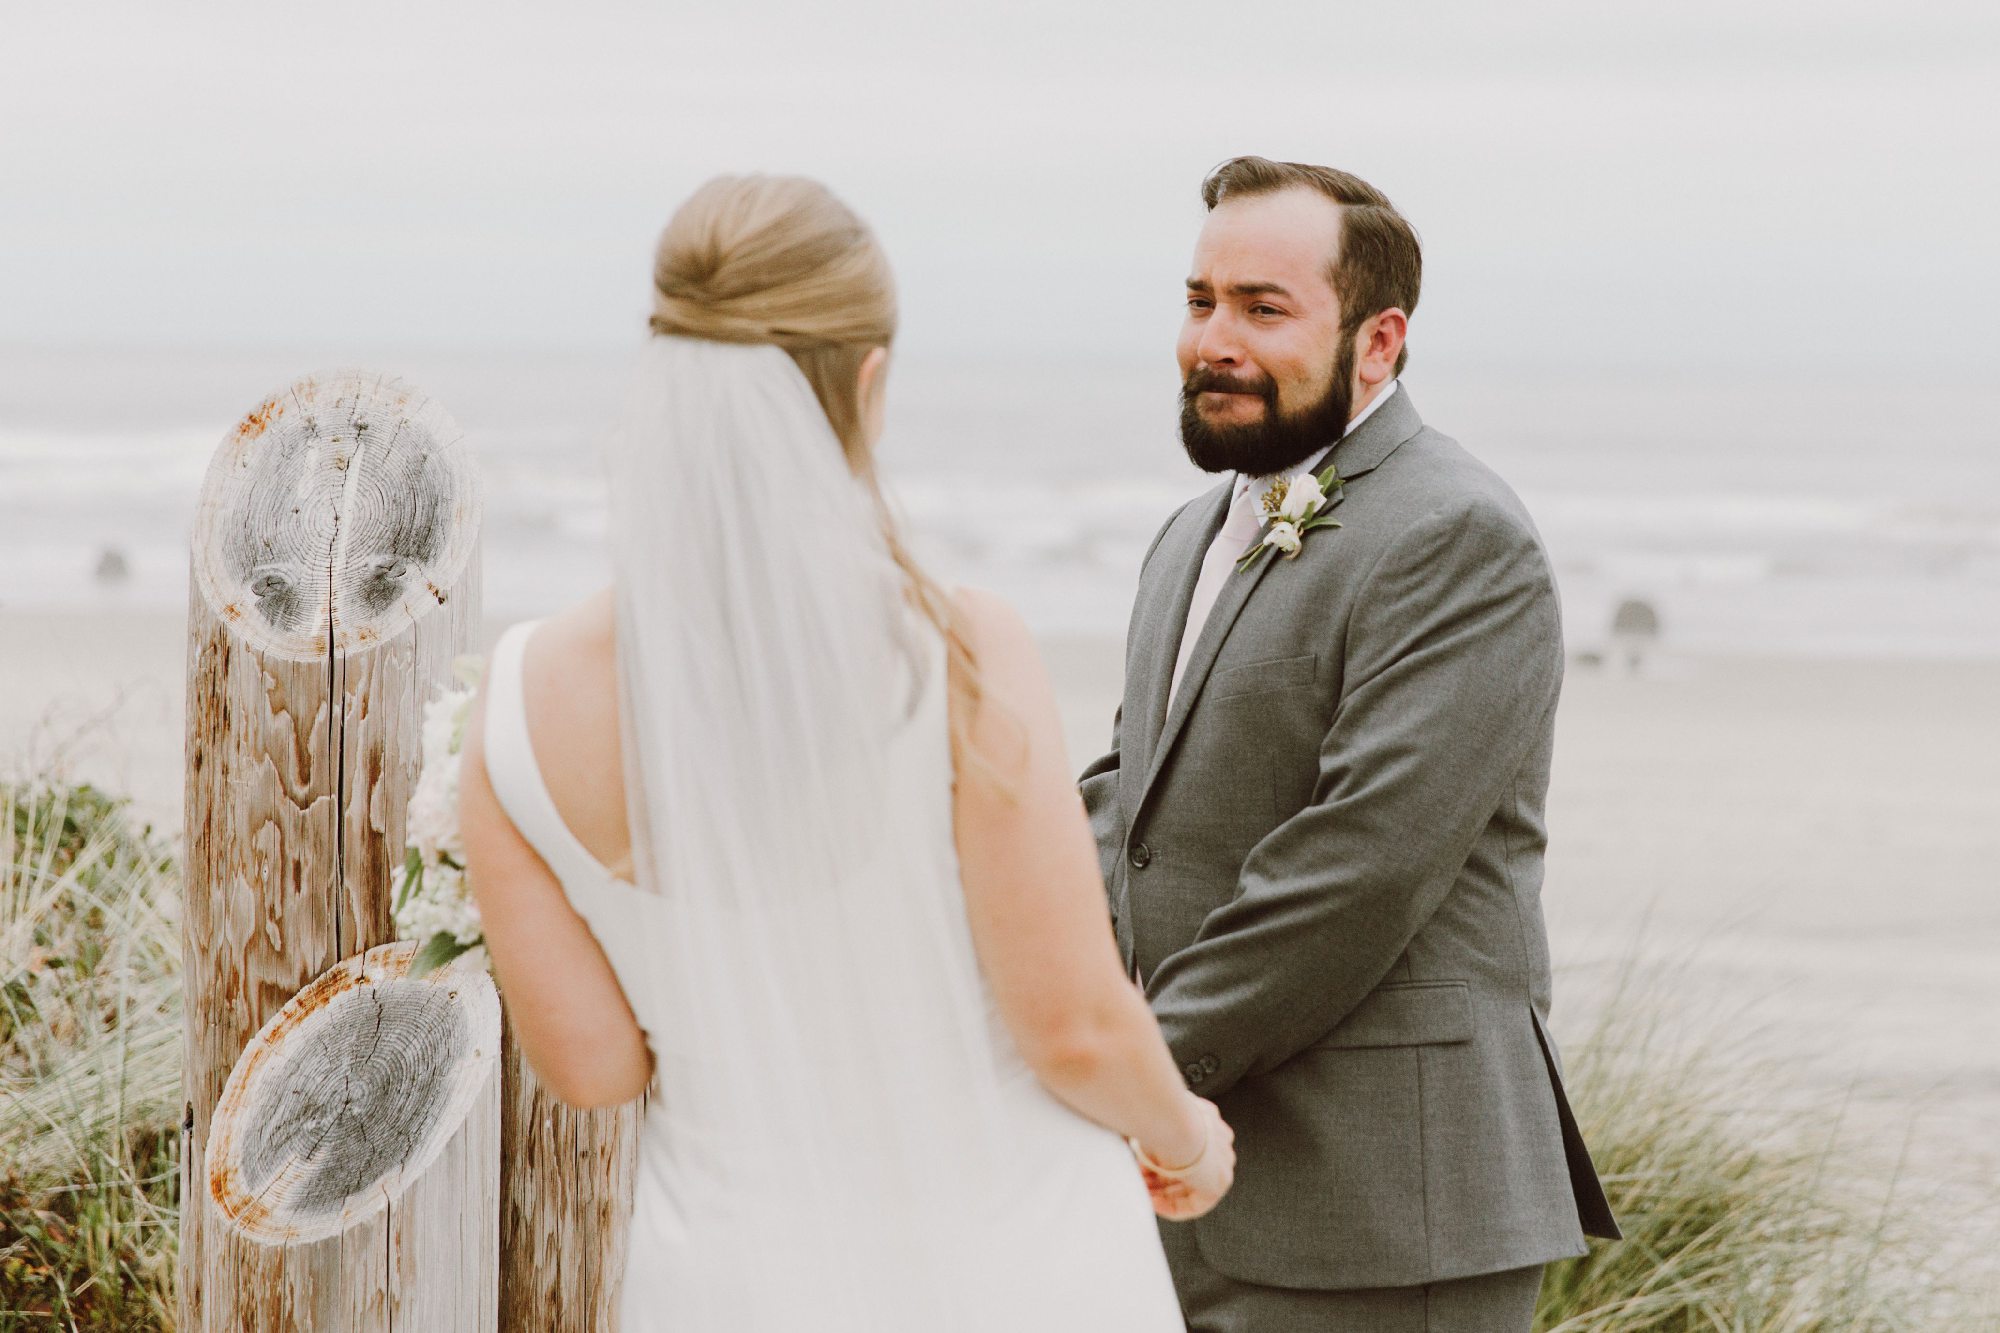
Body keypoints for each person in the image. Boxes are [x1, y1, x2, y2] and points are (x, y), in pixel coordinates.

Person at [454, 173, 1231, 1331]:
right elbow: (1069, 1021)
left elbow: (597, 1069)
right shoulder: (951, 654)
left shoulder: (512, 710)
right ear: (867, 381)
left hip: (724, 1287)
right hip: (1012, 1273)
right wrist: (1187, 1137)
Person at [1079, 156, 1622, 1331]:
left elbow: (1358, 865)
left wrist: (1137, 1074)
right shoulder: (1186, 535)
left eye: (1262, 309)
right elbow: (1130, 810)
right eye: (1198, 300)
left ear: (1377, 342)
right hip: (1185, 1197)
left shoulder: (1455, 534)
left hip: (1382, 1210)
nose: (1210, 339)